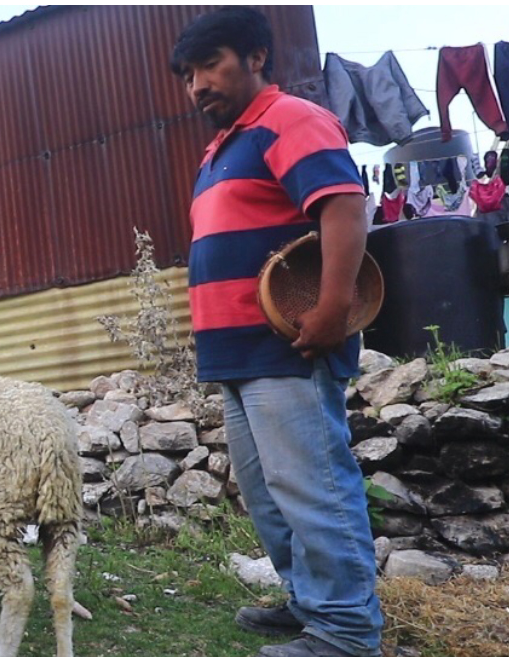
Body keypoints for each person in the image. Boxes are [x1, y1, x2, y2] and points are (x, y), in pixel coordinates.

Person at [169, 8, 382, 657]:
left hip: (287, 344)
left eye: (211, 64)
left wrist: (331, 306)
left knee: (311, 484)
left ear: (257, 57)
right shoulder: (223, 146)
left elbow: (343, 204)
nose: (197, 84)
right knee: (268, 493)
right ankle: (308, 601)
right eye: (188, 73)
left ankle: (346, 630)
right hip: (237, 353)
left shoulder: (288, 119)